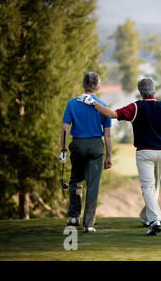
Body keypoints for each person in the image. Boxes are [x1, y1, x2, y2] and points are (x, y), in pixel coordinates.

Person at [77, 77, 161, 236]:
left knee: (148, 188)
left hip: (145, 154)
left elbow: (111, 114)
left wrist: (92, 102)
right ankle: (146, 217)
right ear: (154, 91)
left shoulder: (136, 107)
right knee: (154, 188)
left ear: (140, 92)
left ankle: (155, 220)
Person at [60, 72, 112, 232]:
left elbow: (64, 128)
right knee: (93, 185)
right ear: (98, 86)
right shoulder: (102, 106)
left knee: (76, 180)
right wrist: (109, 156)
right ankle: (88, 224)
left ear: (83, 85)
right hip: (96, 145)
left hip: (78, 145)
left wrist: (63, 149)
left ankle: (74, 217)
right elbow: (108, 134)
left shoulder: (72, 103)